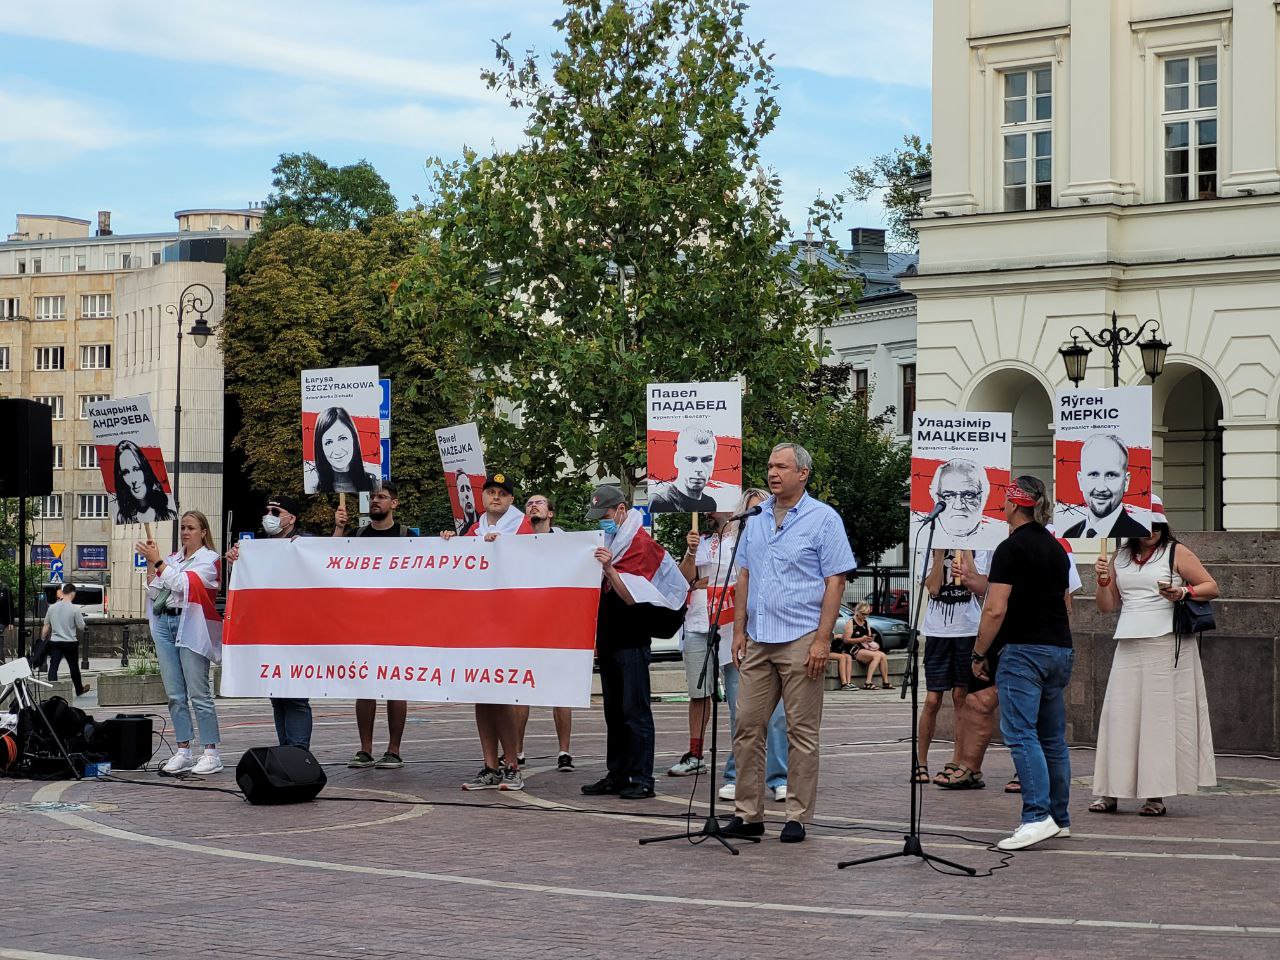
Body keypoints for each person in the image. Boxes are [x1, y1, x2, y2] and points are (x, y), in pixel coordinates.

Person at [723, 442, 856, 844]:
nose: (773, 473)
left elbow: (836, 580)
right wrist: (738, 630)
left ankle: (797, 815)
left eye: (782, 466)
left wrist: (822, 640)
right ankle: (748, 815)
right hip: (759, 639)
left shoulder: (823, 519)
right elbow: (743, 575)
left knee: (801, 731)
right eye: (769, 466)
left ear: (803, 474)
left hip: (801, 637)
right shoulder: (757, 517)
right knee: (746, 725)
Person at [1090, 494, 1218, 817]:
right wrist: (1103, 580)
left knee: (1159, 720)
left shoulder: (1176, 552)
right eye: (1146, 526)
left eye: (1157, 526)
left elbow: (1210, 586)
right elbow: (1107, 606)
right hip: (1130, 640)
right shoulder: (1119, 555)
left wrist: (1183, 591)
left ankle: (1155, 795)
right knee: (1120, 715)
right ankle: (1110, 792)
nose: (1151, 532)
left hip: (1165, 641)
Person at [971, 475, 1074, 851]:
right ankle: (1059, 819)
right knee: (1051, 737)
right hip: (1059, 648)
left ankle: (1036, 816)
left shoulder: (1010, 548)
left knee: (1021, 734)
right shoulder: (1056, 547)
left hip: (1023, 651)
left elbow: (995, 608)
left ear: (1014, 505)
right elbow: (1065, 602)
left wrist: (979, 653)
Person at [581, 485, 687, 800]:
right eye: (600, 517)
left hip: (632, 640)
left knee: (635, 711)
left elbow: (631, 596)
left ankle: (642, 778)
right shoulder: (609, 542)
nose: (604, 521)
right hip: (610, 638)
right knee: (613, 711)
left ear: (623, 510)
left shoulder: (641, 545)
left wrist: (610, 570)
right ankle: (617, 773)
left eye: (608, 514)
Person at [442, 473, 533, 790]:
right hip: (479, 621)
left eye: (502, 494)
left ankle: (511, 764)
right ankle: (489, 765)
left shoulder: (522, 527)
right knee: (482, 694)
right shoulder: (475, 528)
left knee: (502, 693)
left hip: (509, 620)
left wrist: (503, 547)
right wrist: (449, 543)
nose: (495, 497)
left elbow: (533, 559)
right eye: (490, 492)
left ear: (510, 500)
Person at [698, 488, 790, 803]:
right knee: (742, 713)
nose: (754, 518)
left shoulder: (782, 543)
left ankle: (779, 777)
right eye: (748, 512)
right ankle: (737, 775)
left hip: (775, 637)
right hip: (738, 641)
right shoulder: (732, 548)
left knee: (776, 714)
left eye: (759, 511)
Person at [138, 510, 224, 775]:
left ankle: (211, 752)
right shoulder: (174, 558)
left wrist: (159, 562)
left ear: (203, 532)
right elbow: (156, 590)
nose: (185, 532)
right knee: (175, 693)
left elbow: (184, 584)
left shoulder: (209, 559)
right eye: (183, 528)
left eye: (191, 528)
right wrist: (153, 566)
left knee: (199, 692)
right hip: (165, 622)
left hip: (191, 624)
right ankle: (184, 749)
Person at [225, 495, 313, 750]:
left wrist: (334, 531)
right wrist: (236, 560)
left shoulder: (304, 542)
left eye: (276, 511)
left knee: (295, 696)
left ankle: (298, 753)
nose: (269, 516)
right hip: (271, 632)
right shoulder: (259, 549)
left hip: (297, 632)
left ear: (291, 519)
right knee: (277, 695)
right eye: (267, 511)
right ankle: (286, 751)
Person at [336, 481, 412, 770]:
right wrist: (340, 530)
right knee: (365, 685)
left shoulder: (408, 536)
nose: (375, 501)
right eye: (372, 497)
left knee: (396, 685)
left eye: (382, 497)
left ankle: (394, 749)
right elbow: (328, 562)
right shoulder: (356, 535)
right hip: (364, 621)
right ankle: (365, 749)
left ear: (395, 503)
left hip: (396, 622)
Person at [916, 548, 991, 785]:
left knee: (961, 696)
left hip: (967, 629)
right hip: (937, 631)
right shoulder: (928, 549)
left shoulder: (981, 547)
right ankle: (921, 762)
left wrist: (966, 553)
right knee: (932, 699)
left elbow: (979, 587)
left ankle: (957, 761)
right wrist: (939, 556)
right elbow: (934, 588)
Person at [515, 492, 573, 771]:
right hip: (525, 626)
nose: (533, 506)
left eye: (539, 503)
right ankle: (517, 750)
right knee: (520, 690)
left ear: (550, 513)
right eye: (529, 504)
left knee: (560, 692)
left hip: (556, 627)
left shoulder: (566, 543)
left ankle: (564, 751)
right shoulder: (513, 543)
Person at [1062, 434, 1148, 538]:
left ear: (1126, 481)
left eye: (1111, 475)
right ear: (1080, 480)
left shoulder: (1140, 535)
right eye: (1093, 474)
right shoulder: (1069, 535)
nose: (1101, 488)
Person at [306, 406, 378, 494]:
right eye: (328, 442)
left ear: (354, 439)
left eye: (343, 438)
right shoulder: (315, 488)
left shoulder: (372, 483)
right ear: (321, 448)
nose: (337, 451)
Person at [650, 426, 720, 513]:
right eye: (691, 459)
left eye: (707, 459)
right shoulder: (660, 500)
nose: (698, 469)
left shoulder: (710, 503)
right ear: (677, 460)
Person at [929, 459, 994, 542]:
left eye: (968, 495)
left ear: (984, 496)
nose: (958, 506)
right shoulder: (924, 538)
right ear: (935, 497)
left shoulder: (995, 537)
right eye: (948, 496)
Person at [43, 583, 90, 697]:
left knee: (53, 666)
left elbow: (46, 626)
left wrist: (43, 638)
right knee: (73, 667)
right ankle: (79, 689)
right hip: (70, 642)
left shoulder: (52, 608)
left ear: (63, 592)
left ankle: (52, 690)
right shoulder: (75, 609)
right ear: (73, 593)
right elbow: (81, 626)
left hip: (55, 641)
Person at [113, 439, 175, 523]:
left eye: (136, 469)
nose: (133, 479)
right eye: (126, 472)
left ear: (145, 469)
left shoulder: (169, 515)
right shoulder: (123, 518)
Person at [842, 602, 892, 690]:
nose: (865, 616)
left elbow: (868, 637)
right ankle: (868, 682)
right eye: (863, 614)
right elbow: (846, 640)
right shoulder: (851, 623)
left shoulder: (866, 623)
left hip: (865, 647)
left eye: (867, 614)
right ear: (857, 612)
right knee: (877, 656)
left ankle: (885, 681)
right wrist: (860, 639)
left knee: (883, 655)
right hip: (854, 649)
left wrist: (870, 639)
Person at [454, 470, 479, 534]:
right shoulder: (462, 532)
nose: (466, 495)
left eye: (468, 489)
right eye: (462, 489)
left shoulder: (486, 522)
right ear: (458, 496)